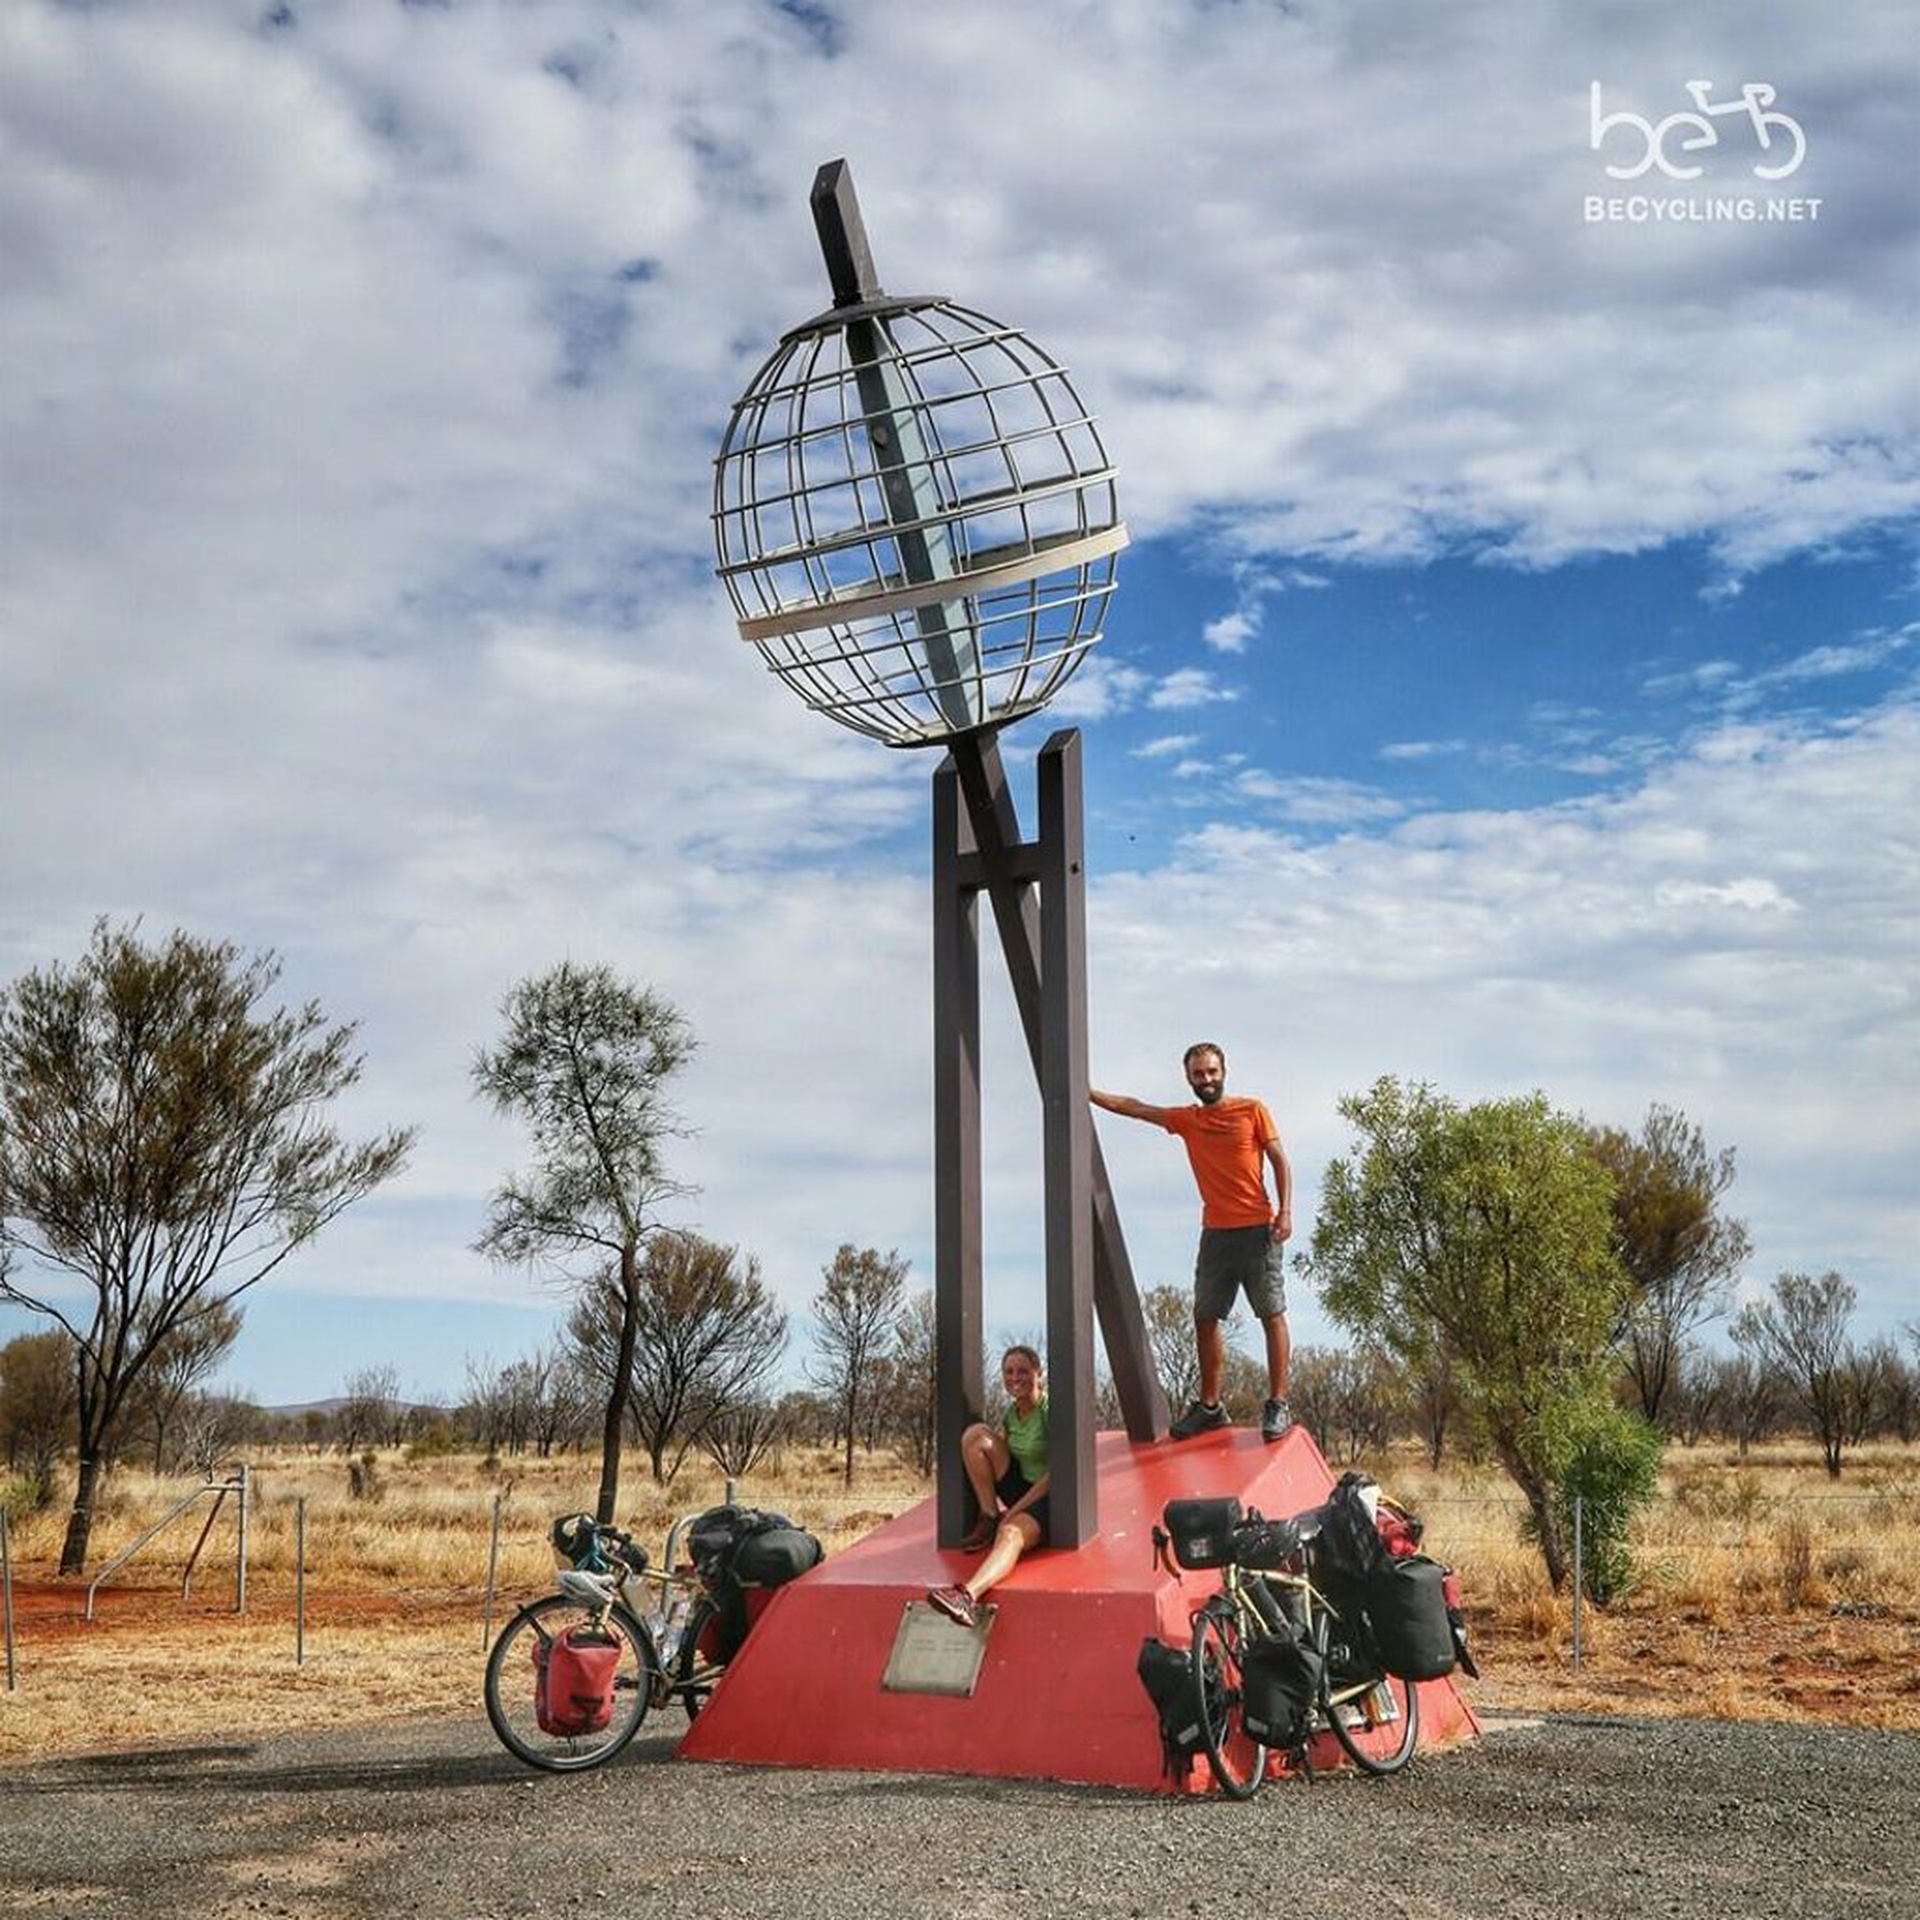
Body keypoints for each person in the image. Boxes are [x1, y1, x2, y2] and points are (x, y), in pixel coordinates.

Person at [1090, 1041, 1294, 1441]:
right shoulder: (1187, 1120)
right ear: (1188, 1078)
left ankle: (1278, 1403)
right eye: (1199, 1074)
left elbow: (1280, 1160)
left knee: (1271, 1313)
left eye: (1212, 1072)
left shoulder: (1252, 1110)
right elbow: (1138, 1108)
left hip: (1257, 1229)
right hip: (1215, 1233)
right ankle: (1211, 1407)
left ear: (1224, 1072)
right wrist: (1090, 1093)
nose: (1206, 1079)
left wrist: (1285, 1212)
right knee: (1205, 1316)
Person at [927, 1344, 1050, 1629]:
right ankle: (987, 1515)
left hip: (1048, 1497)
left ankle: (967, 1596)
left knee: (1009, 1533)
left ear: (1038, 1373)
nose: (1015, 1378)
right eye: (1009, 1372)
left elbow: (1054, 1476)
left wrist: (1015, 1511)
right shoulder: (1012, 1413)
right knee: (976, 1435)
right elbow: (1001, 1450)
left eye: (1023, 1371)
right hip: (1022, 1486)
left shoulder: (1048, 1410)